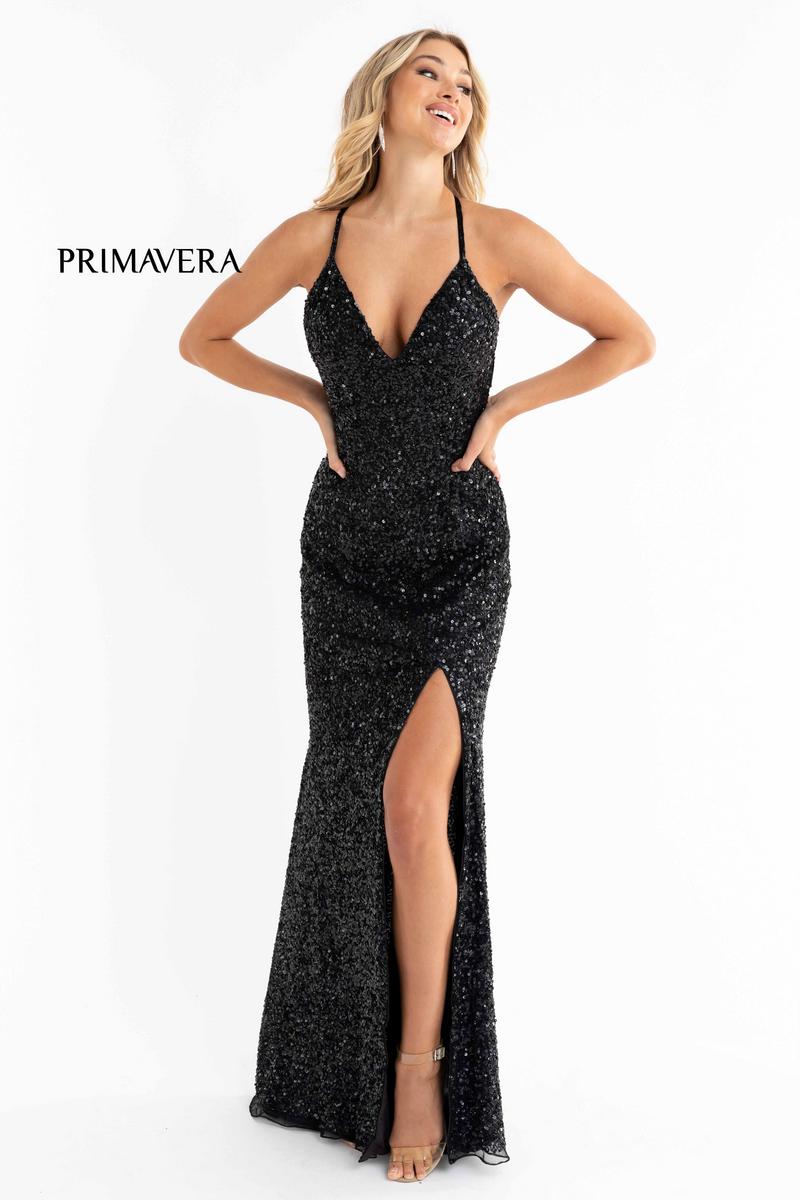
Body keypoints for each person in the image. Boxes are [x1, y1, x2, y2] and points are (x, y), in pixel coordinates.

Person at [179, 27, 655, 1184]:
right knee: (351, 806)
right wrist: (309, 399)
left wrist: (506, 410)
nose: (451, 92)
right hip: (341, 562)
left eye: (464, 83)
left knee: (410, 805)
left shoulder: (497, 238)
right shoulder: (312, 238)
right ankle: (340, 1058)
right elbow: (202, 339)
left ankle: (418, 1067)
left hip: (458, 558)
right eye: (428, 72)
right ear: (381, 95)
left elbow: (627, 338)